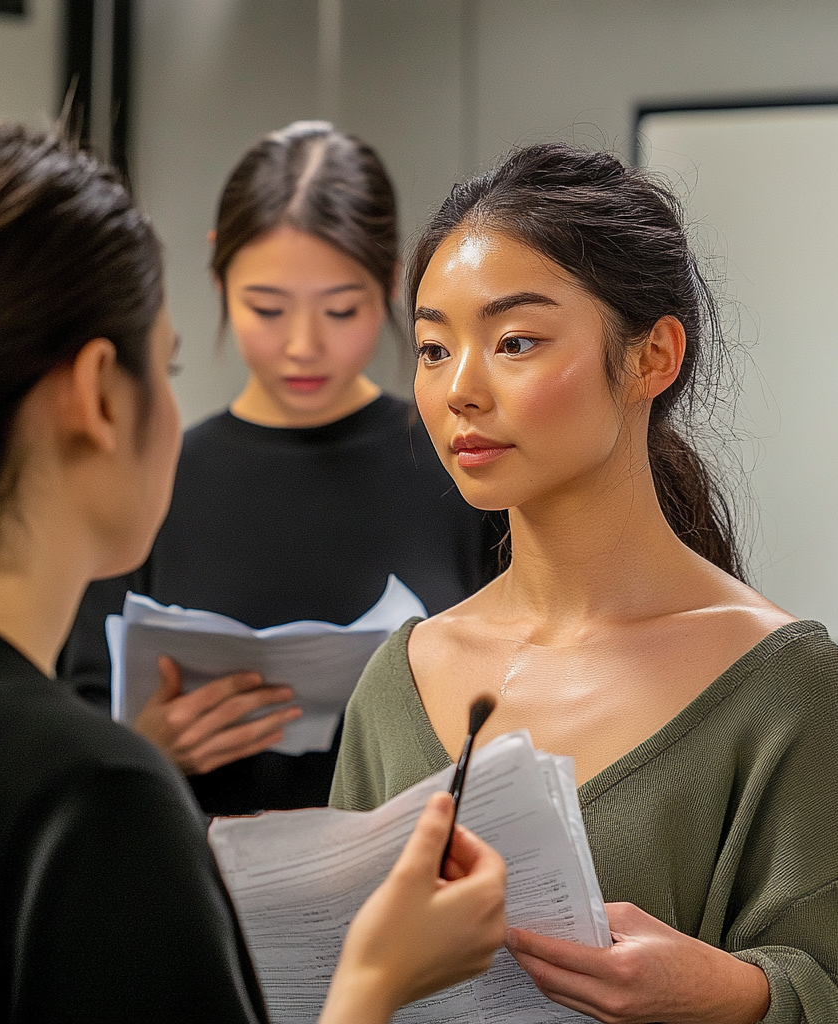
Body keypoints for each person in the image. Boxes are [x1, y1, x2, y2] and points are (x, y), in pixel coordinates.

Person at [329, 143, 838, 1023]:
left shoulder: (776, 678)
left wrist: (726, 993)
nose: (460, 390)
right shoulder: (400, 676)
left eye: (514, 341)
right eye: (435, 348)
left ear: (652, 357)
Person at [0, 120, 505, 1024]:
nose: (302, 345)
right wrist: (374, 985)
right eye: (170, 362)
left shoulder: (457, 476)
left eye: (339, 309)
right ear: (102, 396)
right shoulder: (97, 798)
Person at [58, 120, 504, 816]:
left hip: (418, 878)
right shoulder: (150, 469)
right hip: (200, 888)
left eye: (341, 309)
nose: (303, 345)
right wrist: (146, 745)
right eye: (266, 308)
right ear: (218, 276)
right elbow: (75, 708)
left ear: (391, 282)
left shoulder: (464, 461)